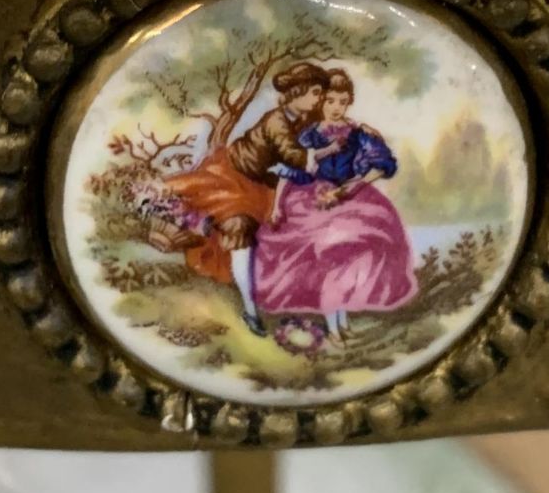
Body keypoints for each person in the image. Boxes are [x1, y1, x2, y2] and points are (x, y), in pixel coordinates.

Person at [161, 63, 328, 335]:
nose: (319, 99)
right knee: (240, 236)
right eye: (315, 92)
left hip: (260, 188)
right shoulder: (277, 120)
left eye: (321, 94)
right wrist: (317, 158)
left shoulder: (304, 122)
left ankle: (210, 226)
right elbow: (291, 153)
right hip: (232, 177)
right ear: (298, 91)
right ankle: (250, 312)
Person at [254, 68, 416, 340]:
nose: (336, 108)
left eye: (342, 101)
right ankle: (333, 328)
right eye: (330, 101)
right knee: (327, 256)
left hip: (350, 196)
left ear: (349, 102)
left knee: (347, 256)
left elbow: (383, 164)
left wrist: (353, 186)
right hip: (308, 198)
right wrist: (277, 206)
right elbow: (290, 171)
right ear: (321, 102)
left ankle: (340, 325)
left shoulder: (357, 133)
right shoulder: (309, 136)